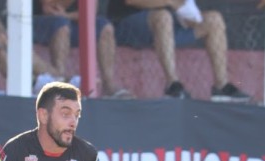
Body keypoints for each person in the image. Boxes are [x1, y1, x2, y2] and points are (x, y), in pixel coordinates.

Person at [106, 0, 251, 101]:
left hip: (170, 28)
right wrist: (169, 2)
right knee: (163, 16)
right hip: (128, 24)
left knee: (214, 19)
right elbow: (132, 1)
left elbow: (185, 7)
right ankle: (173, 84)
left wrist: (190, 16)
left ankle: (221, 85)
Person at [34, 0, 134, 98]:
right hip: (43, 22)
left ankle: (108, 84)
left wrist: (67, 15)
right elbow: (48, 6)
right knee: (62, 25)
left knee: (105, 27)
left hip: (72, 20)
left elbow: (91, 12)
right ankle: (60, 80)